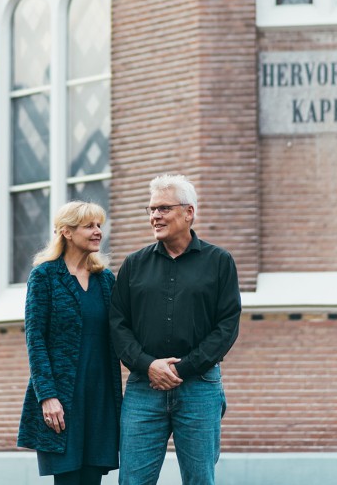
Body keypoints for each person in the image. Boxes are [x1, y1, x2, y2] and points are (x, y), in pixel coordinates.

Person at [109, 174, 241, 485]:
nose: (155, 216)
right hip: (144, 388)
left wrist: (183, 368)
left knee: (200, 480)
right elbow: (117, 323)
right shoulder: (134, 264)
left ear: (189, 212)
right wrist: (148, 365)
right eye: (152, 209)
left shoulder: (219, 262)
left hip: (200, 387)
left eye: (164, 208)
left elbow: (227, 326)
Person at [17, 201, 122, 485]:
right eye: (89, 226)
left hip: (100, 397)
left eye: (99, 225)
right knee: (68, 479)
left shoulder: (105, 279)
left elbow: (121, 331)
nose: (98, 231)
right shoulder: (44, 276)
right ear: (67, 232)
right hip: (62, 399)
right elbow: (35, 339)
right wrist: (47, 396)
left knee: (92, 479)